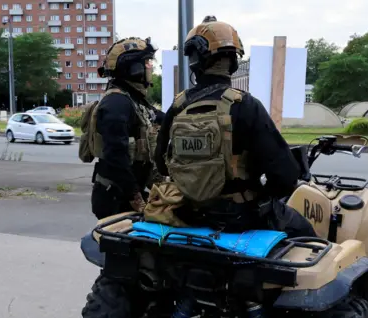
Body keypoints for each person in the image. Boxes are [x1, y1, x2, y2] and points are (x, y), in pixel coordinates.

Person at [153, 16, 316, 238]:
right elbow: (285, 176)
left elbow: (161, 165)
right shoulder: (246, 105)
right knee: (307, 233)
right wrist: (259, 197)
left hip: (189, 212)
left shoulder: (178, 106)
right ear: (233, 61)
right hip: (240, 217)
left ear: (195, 61)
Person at [87, 37, 163, 220]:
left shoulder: (132, 99)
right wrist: (136, 199)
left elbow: (159, 117)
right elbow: (116, 155)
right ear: (133, 69)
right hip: (117, 198)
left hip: (124, 194)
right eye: (146, 63)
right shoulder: (117, 103)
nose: (150, 67)